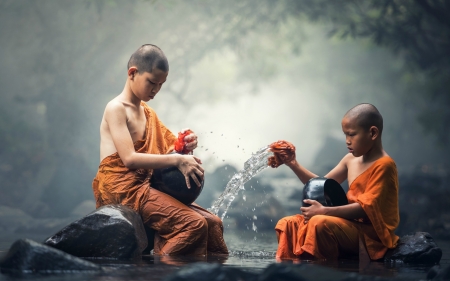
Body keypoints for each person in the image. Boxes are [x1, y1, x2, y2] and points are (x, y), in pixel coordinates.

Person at [92, 44, 228, 256]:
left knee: (213, 223)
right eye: (152, 83)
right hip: (124, 191)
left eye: (161, 85)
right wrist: (177, 161)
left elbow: (171, 148)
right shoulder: (116, 108)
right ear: (132, 73)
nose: (156, 90)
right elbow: (129, 159)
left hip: (147, 186)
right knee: (194, 225)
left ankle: (214, 274)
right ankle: (159, 269)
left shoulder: (147, 112)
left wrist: (185, 143)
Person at [274, 103, 399, 260]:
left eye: (352, 135)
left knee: (319, 222)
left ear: (373, 133)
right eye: (345, 135)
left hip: (369, 233)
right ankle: (291, 269)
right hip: (347, 223)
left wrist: (324, 211)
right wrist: (293, 163)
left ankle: (322, 269)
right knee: (288, 223)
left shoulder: (385, 165)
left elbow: (366, 209)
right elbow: (319, 186)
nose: (347, 141)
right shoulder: (350, 160)